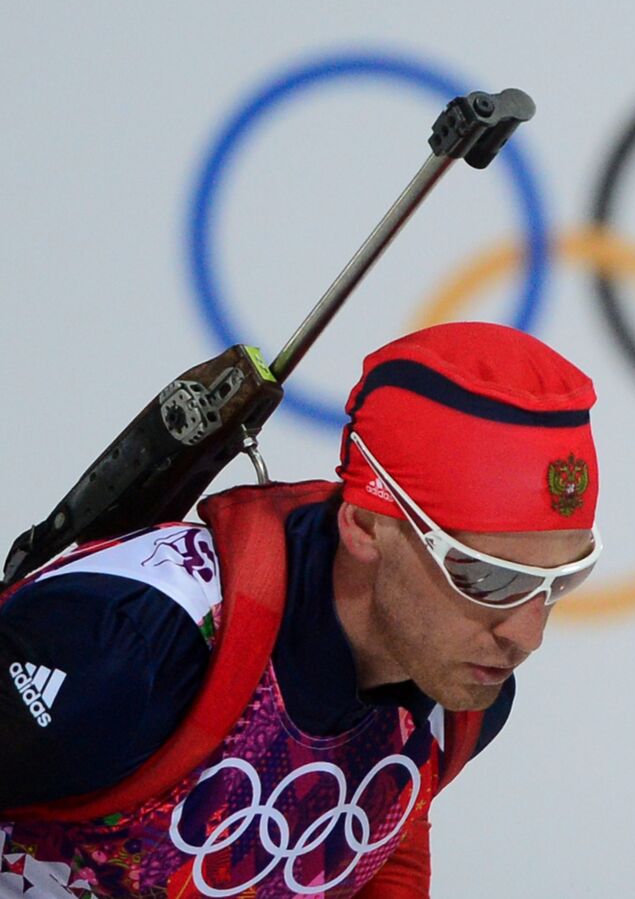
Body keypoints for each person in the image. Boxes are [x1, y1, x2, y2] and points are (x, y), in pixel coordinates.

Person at [0, 322, 601, 897]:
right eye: (487, 577)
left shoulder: (459, 696)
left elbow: (380, 825)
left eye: (561, 579)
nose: (527, 632)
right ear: (366, 524)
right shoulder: (128, 644)